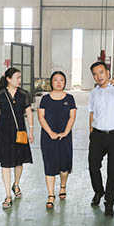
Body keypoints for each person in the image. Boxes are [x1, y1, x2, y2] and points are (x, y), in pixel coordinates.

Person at [0, 67, 34, 209]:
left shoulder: (24, 94)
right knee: (6, 164)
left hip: (20, 132)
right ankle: (8, 195)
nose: (20, 80)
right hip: (3, 133)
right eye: (17, 77)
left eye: (20, 77)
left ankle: (16, 184)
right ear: (8, 79)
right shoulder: (0, 95)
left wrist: (31, 131)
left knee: (19, 162)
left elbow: (29, 113)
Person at [88, 61, 114, 217]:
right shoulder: (93, 93)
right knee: (93, 165)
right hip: (97, 134)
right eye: (95, 74)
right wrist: (91, 130)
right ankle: (99, 191)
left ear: (107, 72)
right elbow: (91, 112)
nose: (99, 76)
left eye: (101, 72)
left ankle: (109, 203)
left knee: (113, 170)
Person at [37, 71, 77, 210]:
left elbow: (72, 117)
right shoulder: (45, 99)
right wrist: (51, 133)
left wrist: (65, 132)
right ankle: (50, 195)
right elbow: (41, 117)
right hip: (48, 137)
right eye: (56, 80)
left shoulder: (70, 98)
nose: (59, 83)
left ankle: (63, 186)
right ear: (51, 82)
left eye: (61, 80)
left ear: (65, 82)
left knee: (64, 166)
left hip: (65, 137)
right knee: (49, 164)